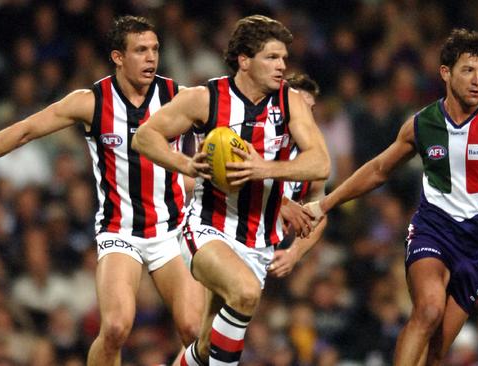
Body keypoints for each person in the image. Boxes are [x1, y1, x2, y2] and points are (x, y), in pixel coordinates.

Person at [0, 15, 203, 366]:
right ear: (118, 57)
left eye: (154, 49)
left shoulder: (180, 98)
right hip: (120, 230)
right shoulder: (91, 101)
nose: (151, 58)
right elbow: (25, 130)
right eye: (140, 50)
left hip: (170, 229)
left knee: (192, 331)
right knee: (114, 327)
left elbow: (238, 127)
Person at [305, 28, 478, 365]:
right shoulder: (422, 124)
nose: (477, 80)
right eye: (468, 70)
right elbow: (379, 169)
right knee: (428, 308)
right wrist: (325, 203)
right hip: (432, 229)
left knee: (437, 353)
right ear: (446, 73)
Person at [131, 15, 330, 365]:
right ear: (244, 60)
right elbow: (144, 136)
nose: (282, 65)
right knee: (245, 292)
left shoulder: (292, 102)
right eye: (271, 57)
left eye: (284, 58)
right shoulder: (205, 99)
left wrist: (263, 169)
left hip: (258, 243)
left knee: (207, 344)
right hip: (209, 227)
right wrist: (184, 164)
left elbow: (321, 164)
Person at [269, 73, 327, 278]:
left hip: (265, 249)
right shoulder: (258, 138)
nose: (307, 117)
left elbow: (319, 214)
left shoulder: (312, 163)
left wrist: (293, 254)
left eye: (310, 110)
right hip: (225, 235)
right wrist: (282, 203)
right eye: (301, 107)